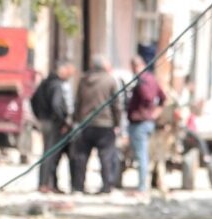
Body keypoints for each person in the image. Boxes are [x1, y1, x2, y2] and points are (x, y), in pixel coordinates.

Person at [71, 55, 121, 194]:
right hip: (105, 124)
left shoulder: (83, 80)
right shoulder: (110, 81)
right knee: (106, 157)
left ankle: (78, 187)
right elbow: (116, 104)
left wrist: (76, 120)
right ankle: (107, 187)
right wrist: (117, 123)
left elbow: (78, 102)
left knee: (81, 157)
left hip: (85, 123)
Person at [31, 60, 75, 193]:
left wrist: (39, 116)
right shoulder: (57, 85)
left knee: (49, 152)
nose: (71, 75)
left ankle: (49, 183)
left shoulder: (45, 82)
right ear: (63, 70)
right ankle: (45, 184)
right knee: (50, 154)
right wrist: (63, 121)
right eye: (69, 71)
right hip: (53, 122)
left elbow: (33, 100)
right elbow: (56, 105)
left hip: (44, 120)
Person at [126, 55, 166, 195]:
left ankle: (142, 187)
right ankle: (148, 184)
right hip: (146, 122)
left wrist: (153, 112)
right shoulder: (151, 79)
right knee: (145, 154)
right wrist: (155, 112)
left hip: (141, 122)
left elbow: (149, 97)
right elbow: (162, 97)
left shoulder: (144, 80)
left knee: (141, 155)